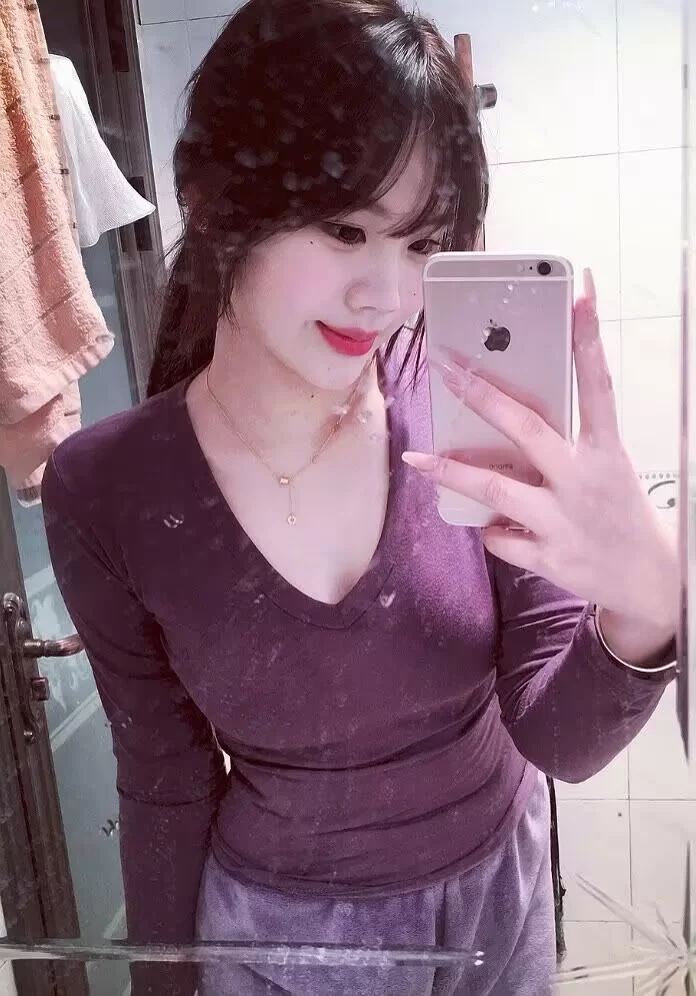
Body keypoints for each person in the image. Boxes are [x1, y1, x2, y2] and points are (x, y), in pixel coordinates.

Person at [41, 1, 679, 994]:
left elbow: (559, 737)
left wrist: (648, 604)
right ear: (210, 199)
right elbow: (164, 780)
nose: (386, 296)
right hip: (279, 946)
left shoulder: (471, 415)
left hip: (495, 912)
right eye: (345, 229)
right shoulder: (108, 487)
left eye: (423, 245)